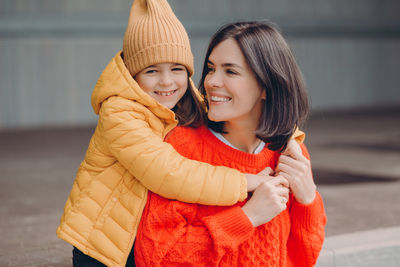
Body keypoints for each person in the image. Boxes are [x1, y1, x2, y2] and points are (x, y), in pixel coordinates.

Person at [57, 1, 306, 266]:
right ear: (133, 75)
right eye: (152, 70)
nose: (167, 81)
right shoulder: (120, 113)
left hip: (141, 228)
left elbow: (268, 114)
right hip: (103, 244)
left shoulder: (187, 99)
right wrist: (245, 182)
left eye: (177, 69)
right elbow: (169, 172)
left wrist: (290, 138)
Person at [134, 21, 327, 266]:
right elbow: (156, 259)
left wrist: (308, 198)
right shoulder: (182, 149)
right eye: (212, 68)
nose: (212, 81)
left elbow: (303, 258)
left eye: (231, 71)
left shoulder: (288, 154)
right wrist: (248, 216)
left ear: (266, 87)